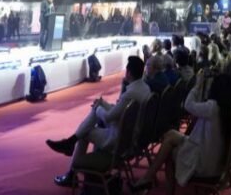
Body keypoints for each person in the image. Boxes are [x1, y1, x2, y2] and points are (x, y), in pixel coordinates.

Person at [130, 70, 231, 195]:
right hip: (211, 154)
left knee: (168, 155)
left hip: (204, 162)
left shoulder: (213, 108)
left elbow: (187, 105)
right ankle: (149, 179)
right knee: (170, 135)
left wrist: (198, 85)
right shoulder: (230, 108)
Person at [46, 56, 152, 187]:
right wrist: (103, 104)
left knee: (85, 133)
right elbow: (119, 111)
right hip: (129, 134)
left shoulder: (130, 94)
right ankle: (71, 143)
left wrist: (98, 108)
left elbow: (108, 117)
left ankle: (71, 170)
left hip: (119, 141)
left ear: (129, 73)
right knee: (96, 112)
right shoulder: (144, 88)